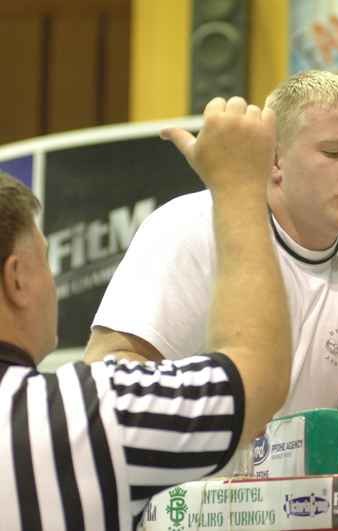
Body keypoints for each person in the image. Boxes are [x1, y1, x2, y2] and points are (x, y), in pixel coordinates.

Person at [85, 70, 338, 471]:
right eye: (336, 152)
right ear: (274, 159)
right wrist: (219, 433)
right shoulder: (189, 223)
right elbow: (107, 375)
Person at [0, 98, 292, 530]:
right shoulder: (86, 413)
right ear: (18, 279)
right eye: (46, 260)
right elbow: (256, 380)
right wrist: (239, 188)